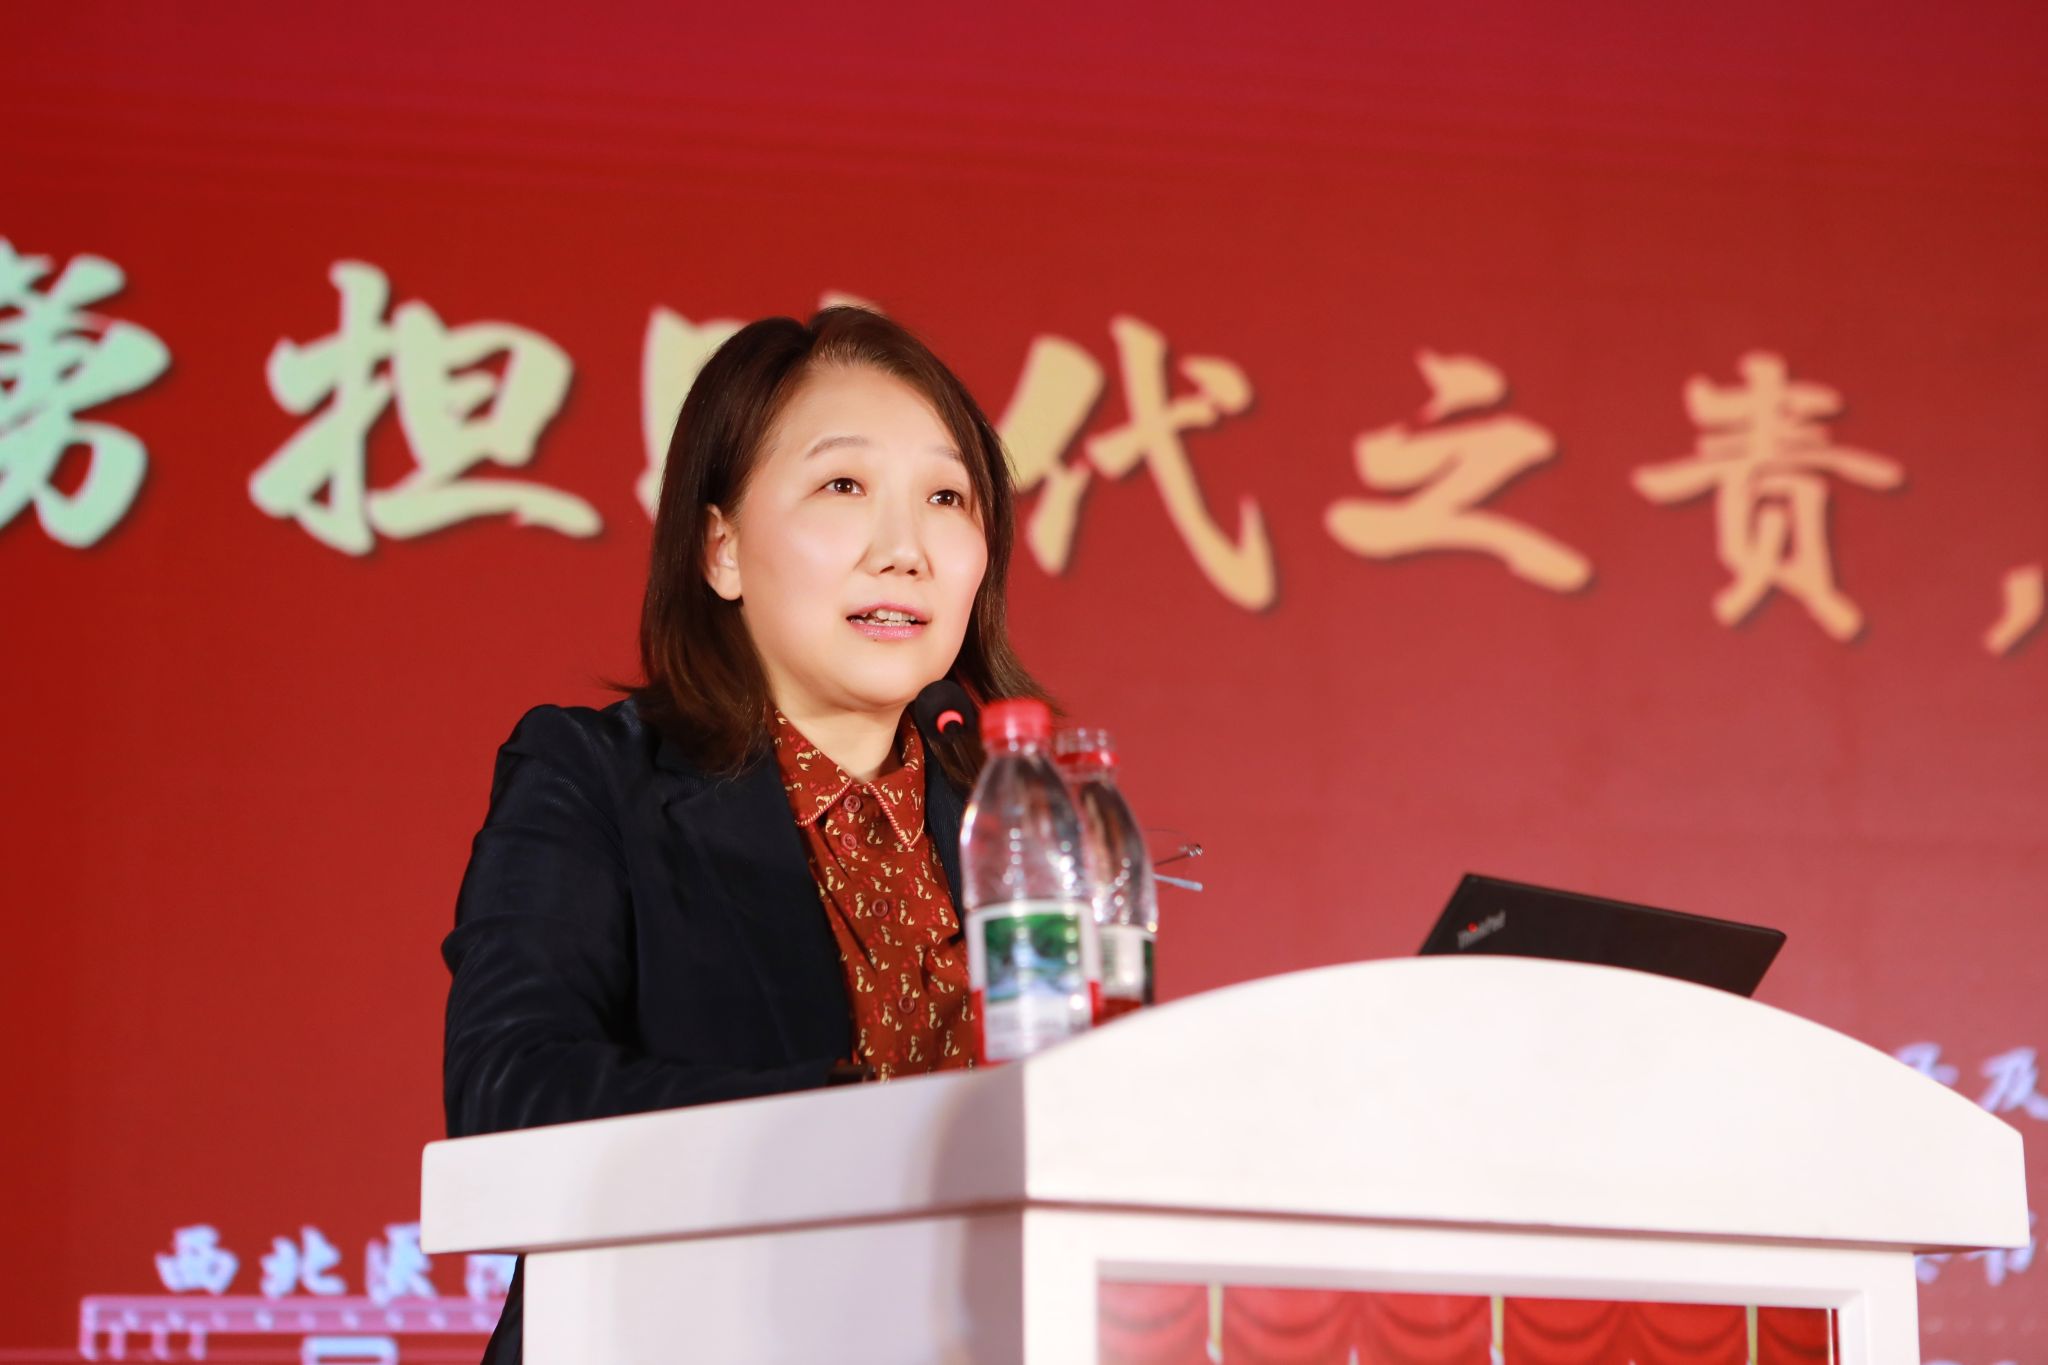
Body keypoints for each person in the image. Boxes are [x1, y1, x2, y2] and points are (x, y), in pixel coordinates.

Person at [439, 306, 1051, 1362]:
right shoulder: (596, 779)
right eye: (843, 486)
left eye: (946, 498)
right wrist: (849, 1128)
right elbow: (510, 1096)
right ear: (721, 548)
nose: (903, 550)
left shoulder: (1018, 818)